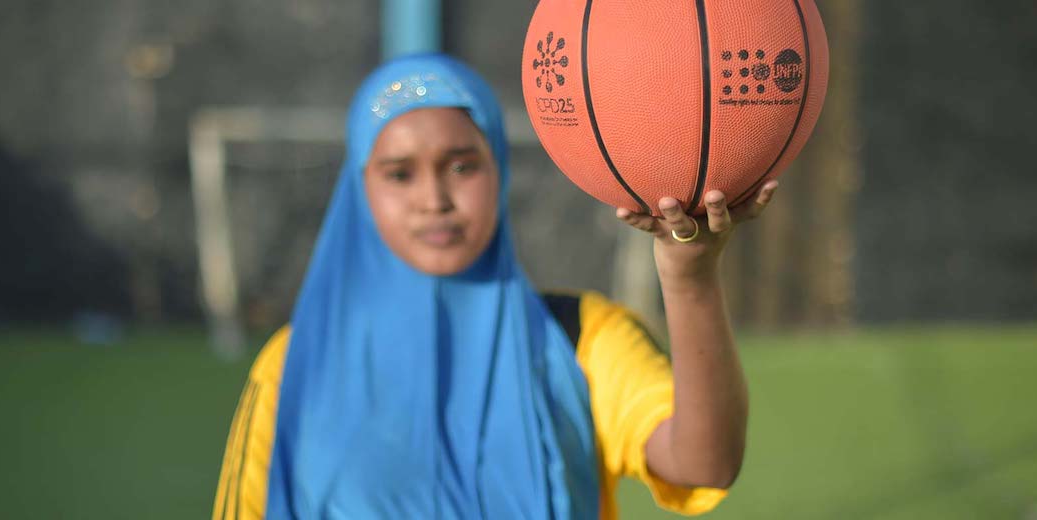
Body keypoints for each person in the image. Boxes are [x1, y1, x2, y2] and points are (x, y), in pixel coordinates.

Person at [212, 53, 778, 519]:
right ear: (360, 189)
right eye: (399, 173)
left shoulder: (582, 340)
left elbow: (705, 465)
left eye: (462, 166)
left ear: (500, 169)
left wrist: (691, 275)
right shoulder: (295, 365)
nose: (433, 199)